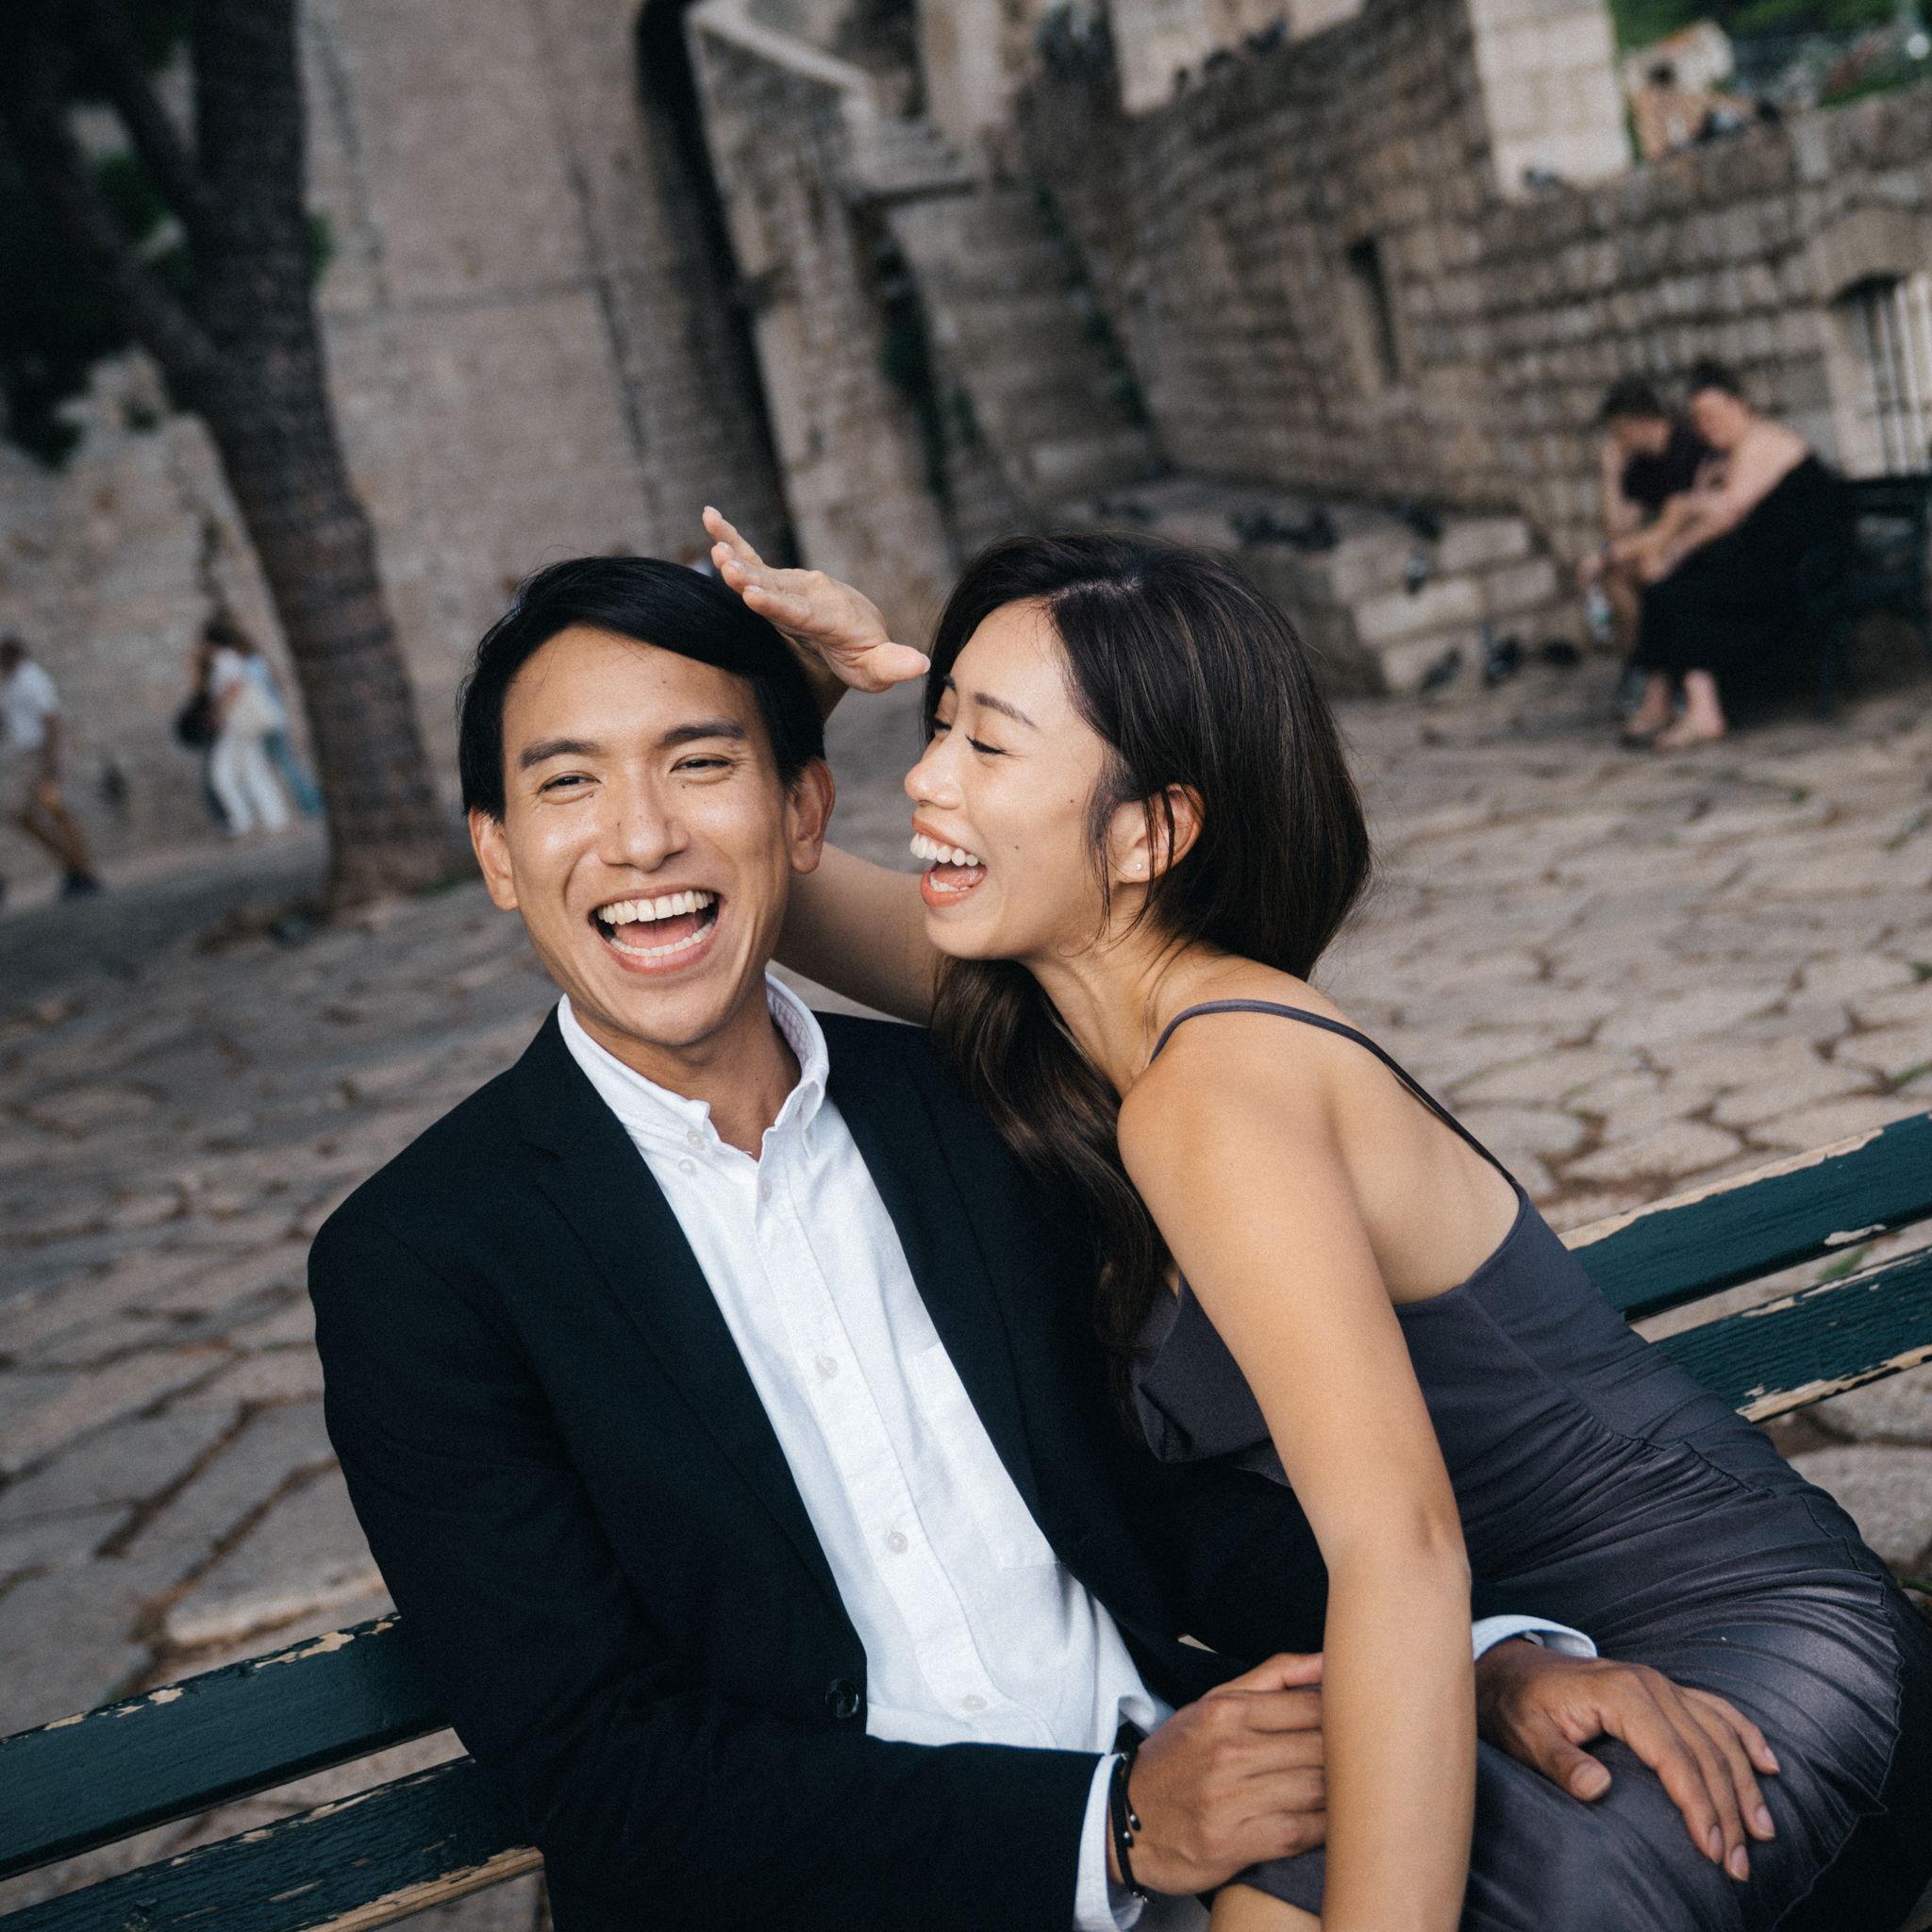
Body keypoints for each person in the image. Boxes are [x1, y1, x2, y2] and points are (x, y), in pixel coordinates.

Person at [309, 557, 1783, 1932]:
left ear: (806, 816)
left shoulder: (965, 1106)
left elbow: (1152, 1503)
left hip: (1206, 1838)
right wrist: (1110, 1827)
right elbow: (599, 1771)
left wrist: (1480, 1664)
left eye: (700, 764)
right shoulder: (422, 1265)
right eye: (568, 783)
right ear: (497, 854)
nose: (640, 836)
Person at [707, 507, 1932, 1932]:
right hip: (1522, 1649)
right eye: (936, 728)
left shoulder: (1213, 1086)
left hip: (1741, 1646)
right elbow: (756, 881)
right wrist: (792, 686)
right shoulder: (1071, 1024)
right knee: (1268, 1869)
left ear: (1152, 831)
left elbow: (1399, 1549)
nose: (923, 778)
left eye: (987, 744)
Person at [1622, 363, 1844, 749]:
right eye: (1699, 419)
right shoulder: (1730, 454)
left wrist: (1684, 523)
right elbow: (1716, 517)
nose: (1706, 426)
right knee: (1668, 585)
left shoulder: (1762, 441)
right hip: (1770, 558)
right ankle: (1660, 703)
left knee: (1682, 591)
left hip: (1806, 567)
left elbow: (1729, 511)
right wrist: (1676, 549)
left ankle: (1702, 713)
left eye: (1713, 415)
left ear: (1739, 406)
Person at [1579, 378, 1707, 684]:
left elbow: (1671, 528)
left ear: (1636, 422)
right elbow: (1617, 530)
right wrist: (1610, 475)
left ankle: (1665, 674)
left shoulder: (1686, 447)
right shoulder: (1640, 466)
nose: (1616, 440)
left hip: (1700, 546)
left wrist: (1604, 556)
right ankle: (1643, 668)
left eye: (1617, 430)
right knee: (1615, 577)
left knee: (1643, 569)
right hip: (1663, 549)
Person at [0, 635, 103, 903]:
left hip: (40, 755)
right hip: (29, 756)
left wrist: (51, 767)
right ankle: (73, 864)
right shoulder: (14, 682)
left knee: (57, 812)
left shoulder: (31, 679)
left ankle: (82, 869)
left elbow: (51, 720)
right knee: (26, 813)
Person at [205, 614, 323, 817]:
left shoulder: (237, 662)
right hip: (266, 718)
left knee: (281, 763)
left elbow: (241, 689)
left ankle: (309, 804)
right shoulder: (250, 659)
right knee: (273, 765)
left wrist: (220, 709)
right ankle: (289, 809)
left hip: (259, 720)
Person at [203, 617, 292, 836]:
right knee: (253, 770)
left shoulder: (224, 659)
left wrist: (219, 711)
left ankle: (243, 820)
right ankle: (273, 818)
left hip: (238, 725)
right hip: (240, 725)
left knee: (222, 773)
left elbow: (235, 686)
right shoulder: (231, 657)